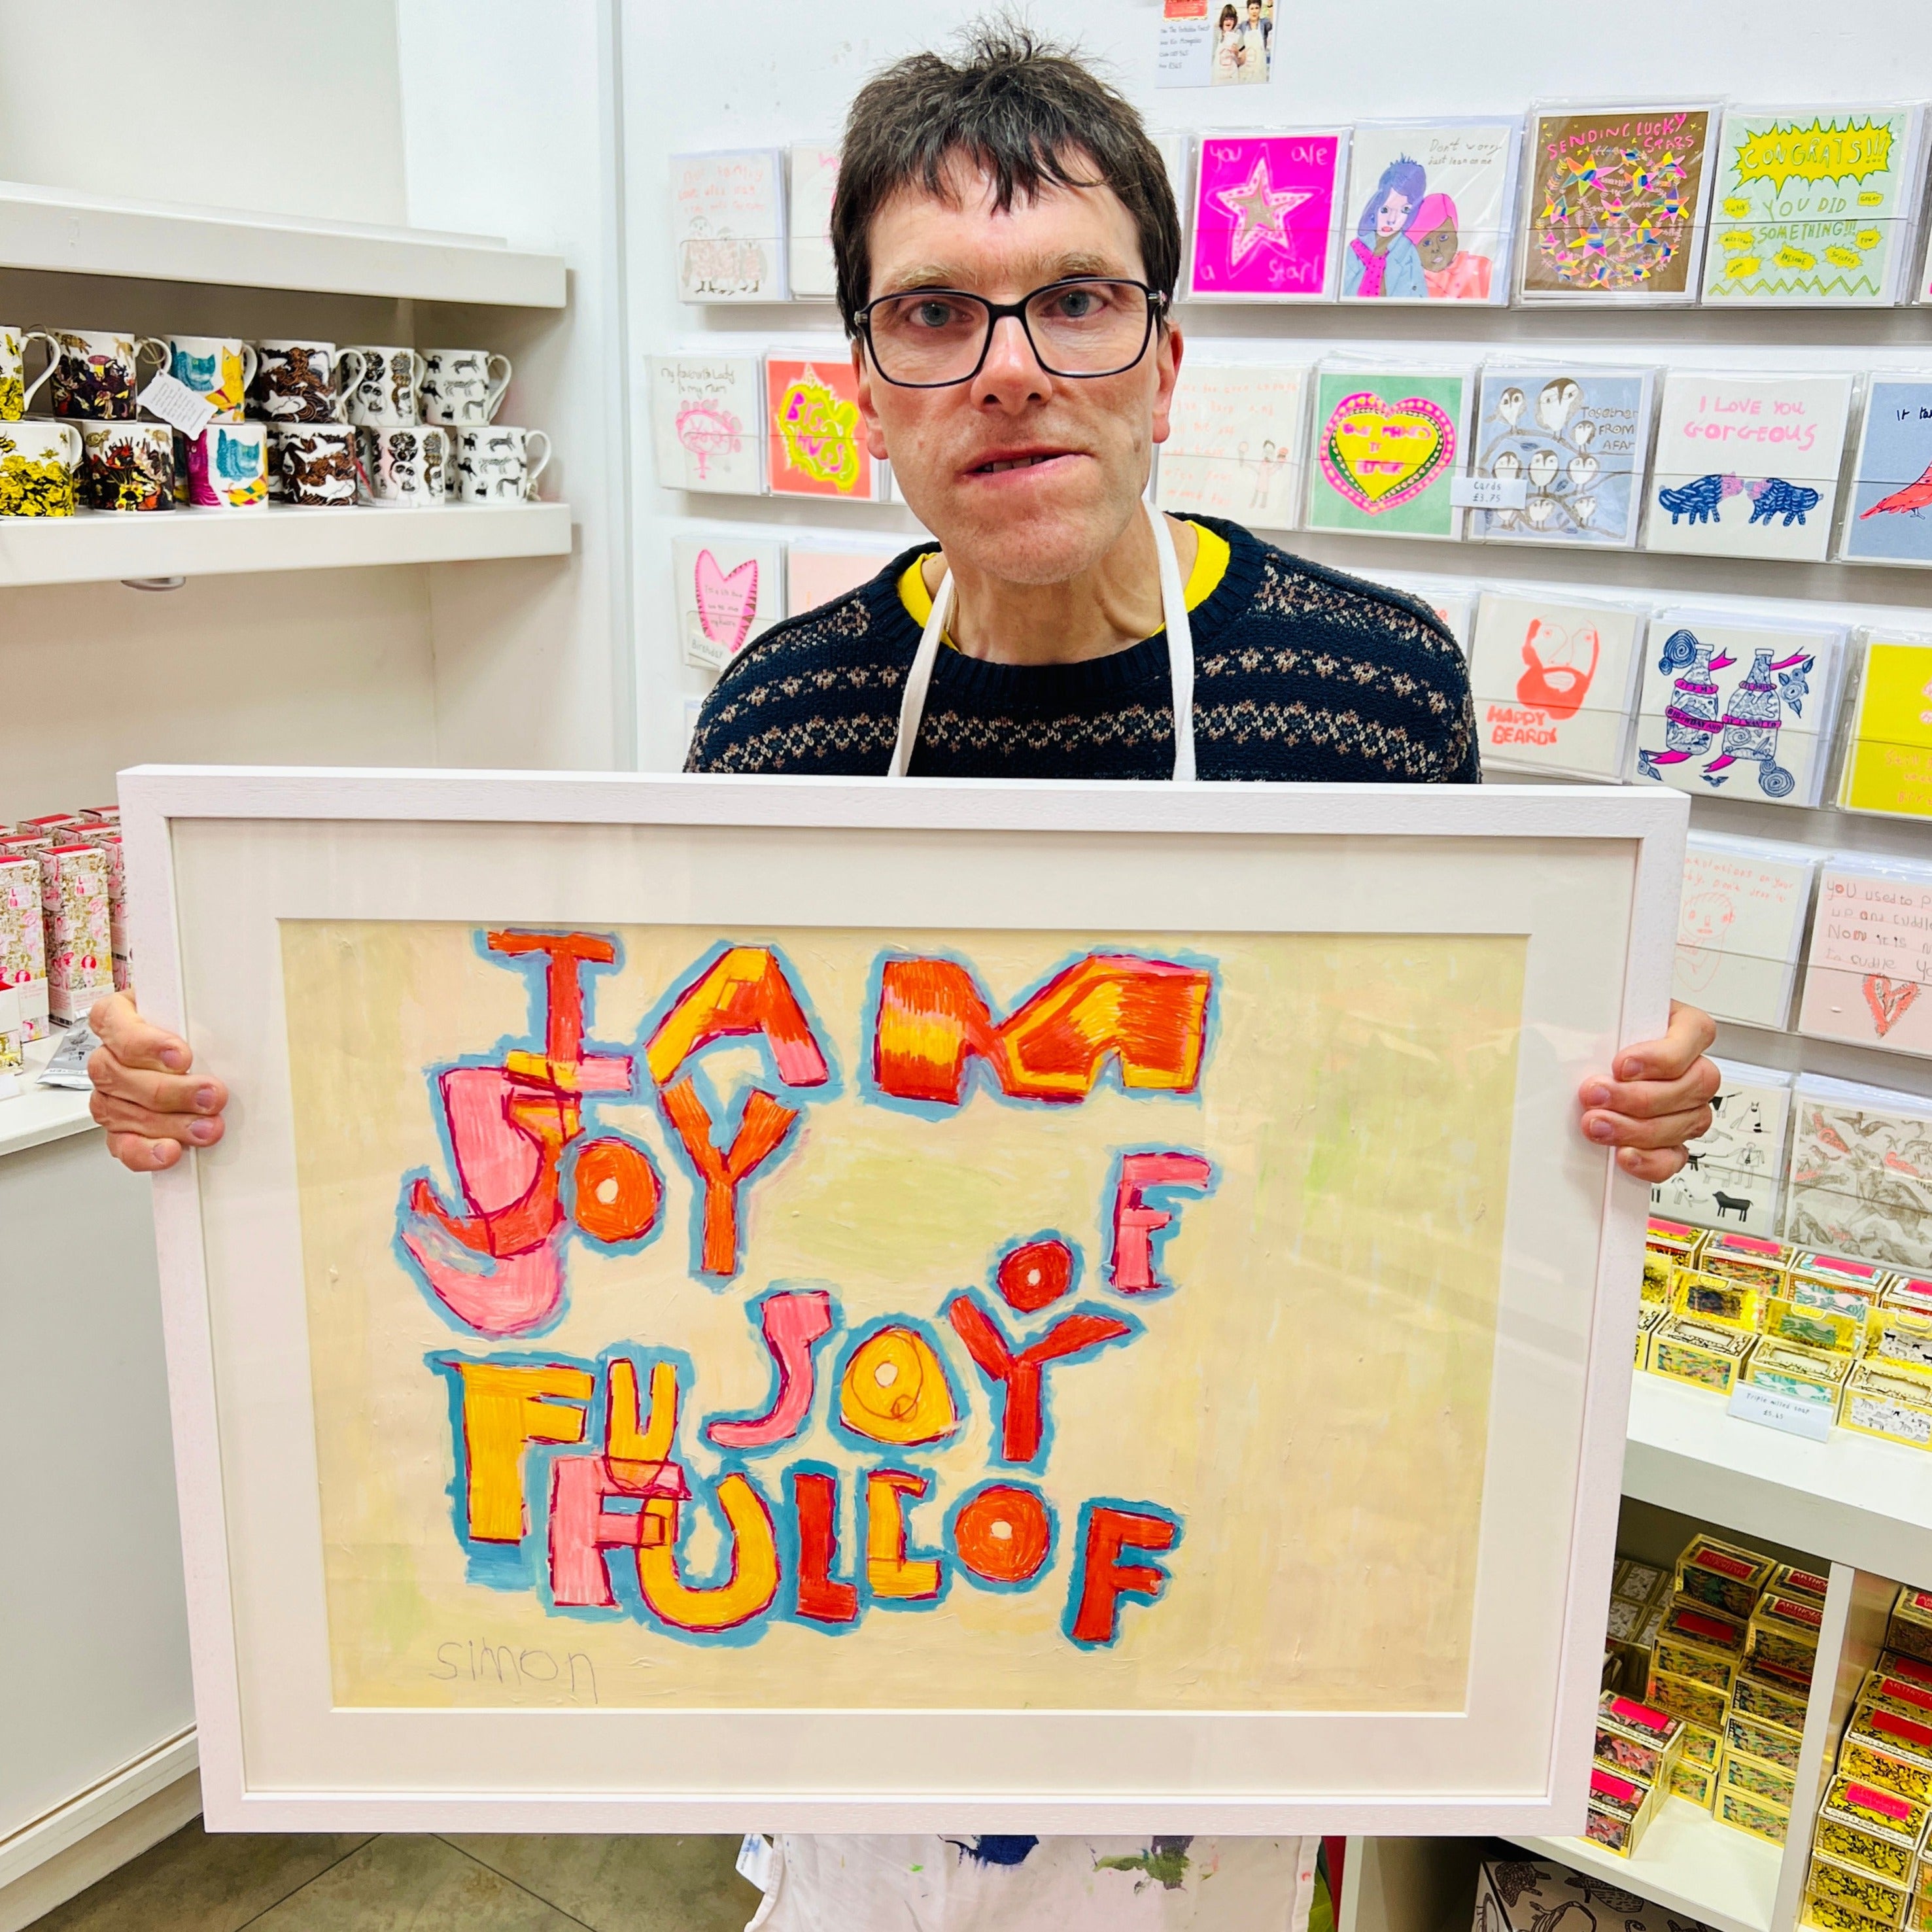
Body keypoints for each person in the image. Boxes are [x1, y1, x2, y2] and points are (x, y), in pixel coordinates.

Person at [88, 24, 1719, 1932]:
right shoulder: (787, 717)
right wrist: (227, 1094)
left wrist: (1604, 1113)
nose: (1011, 367)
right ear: (865, 385)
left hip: (1212, 1545)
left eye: (1076, 301)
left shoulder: (1367, 684)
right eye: (934, 314)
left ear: (1166, 355)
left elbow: (1426, 1134)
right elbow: (666, 1151)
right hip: (875, 1512)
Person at [1343, 156, 1428, 298]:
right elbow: (1343, 292)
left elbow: (1418, 299)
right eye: (1385, 210)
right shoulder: (1355, 249)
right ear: (1376, 205)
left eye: (1404, 210)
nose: (1392, 220)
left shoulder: (1408, 252)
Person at [1408, 190, 1494, 300]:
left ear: (1456, 232)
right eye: (1426, 243)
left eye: (1443, 238)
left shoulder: (1483, 267)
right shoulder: (1407, 278)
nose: (1436, 249)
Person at [1236, 0, 1271, 81]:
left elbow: (1274, 22)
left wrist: (1270, 5)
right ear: (1248, 10)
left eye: (1257, 8)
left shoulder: (1264, 23)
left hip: (1259, 70)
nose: (1254, 11)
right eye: (1252, 8)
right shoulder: (1242, 26)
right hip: (1245, 72)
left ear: (1260, 9)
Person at [1209, 2, 1241, 84]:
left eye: (1231, 19)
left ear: (1235, 21)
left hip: (1232, 77)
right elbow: (1212, 55)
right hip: (1218, 77)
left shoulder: (1238, 33)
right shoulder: (1216, 32)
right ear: (1222, 19)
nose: (1229, 21)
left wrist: (1237, 54)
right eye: (1226, 19)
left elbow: (1242, 61)